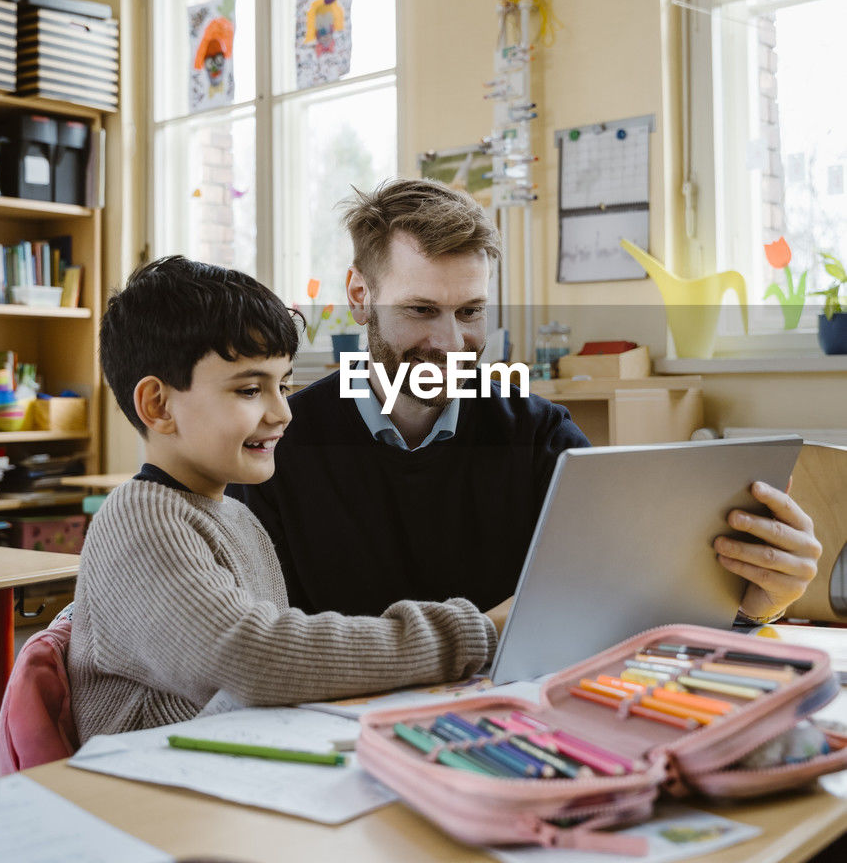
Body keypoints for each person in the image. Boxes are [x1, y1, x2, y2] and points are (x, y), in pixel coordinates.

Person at [237, 178, 821, 627]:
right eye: (420, 311)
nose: (450, 342)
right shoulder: (275, 448)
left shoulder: (539, 436)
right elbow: (260, 645)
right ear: (361, 298)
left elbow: (623, 601)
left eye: (470, 312)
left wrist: (753, 604)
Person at [67, 256, 507, 744]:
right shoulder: (140, 520)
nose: (283, 412)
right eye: (252, 389)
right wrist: (474, 631)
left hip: (234, 775)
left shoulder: (235, 515)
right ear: (158, 405)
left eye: (285, 384)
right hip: (147, 795)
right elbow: (254, 659)